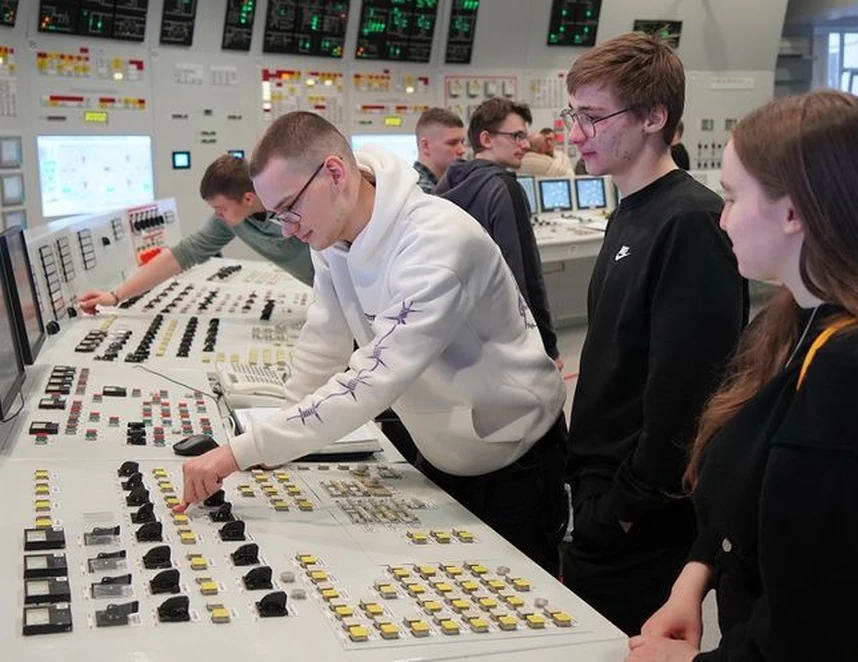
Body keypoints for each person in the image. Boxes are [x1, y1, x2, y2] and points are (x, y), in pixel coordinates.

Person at [630, 90, 858, 661]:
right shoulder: (793, 323)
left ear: (793, 213)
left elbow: (825, 626)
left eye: (732, 196)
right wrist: (696, 574)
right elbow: (758, 491)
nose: (722, 217)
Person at [174, 111, 569, 576]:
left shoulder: (437, 242)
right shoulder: (332, 237)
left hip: (512, 452)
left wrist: (243, 451)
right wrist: (274, 437)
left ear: (334, 173)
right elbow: (324, 340)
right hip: (442, 445)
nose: (286, 229)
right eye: (276, 214)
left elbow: (375, 377)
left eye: (289, 208)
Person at [560, 32, 745, 635]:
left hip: (638, 517)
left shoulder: (689, 222)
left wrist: (625, 509)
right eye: (573, 115)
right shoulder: (631, 210)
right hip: (601, 495)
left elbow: (688, 394)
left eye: (593, 117)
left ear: (653, 117)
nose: (576, 134)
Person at [78, 155, 314, 313]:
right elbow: (181, 254)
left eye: (221, 208)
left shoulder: (296, 208)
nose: (217, 215)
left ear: (248, 198)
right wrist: (115, 297)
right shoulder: (230, 221)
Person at [435, 97, 562, 369]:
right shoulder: (505, 188)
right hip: (508, 338)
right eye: (517, 136)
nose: (525, 145)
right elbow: (522, 274)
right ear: (486, 139)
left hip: (462, 337)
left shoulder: (448, 183)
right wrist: (547, 346)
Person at [413, 107, 466, 194]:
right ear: (425, 146)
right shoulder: (421, 193)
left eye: (462, 142)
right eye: (452, 143)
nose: (462, 150)